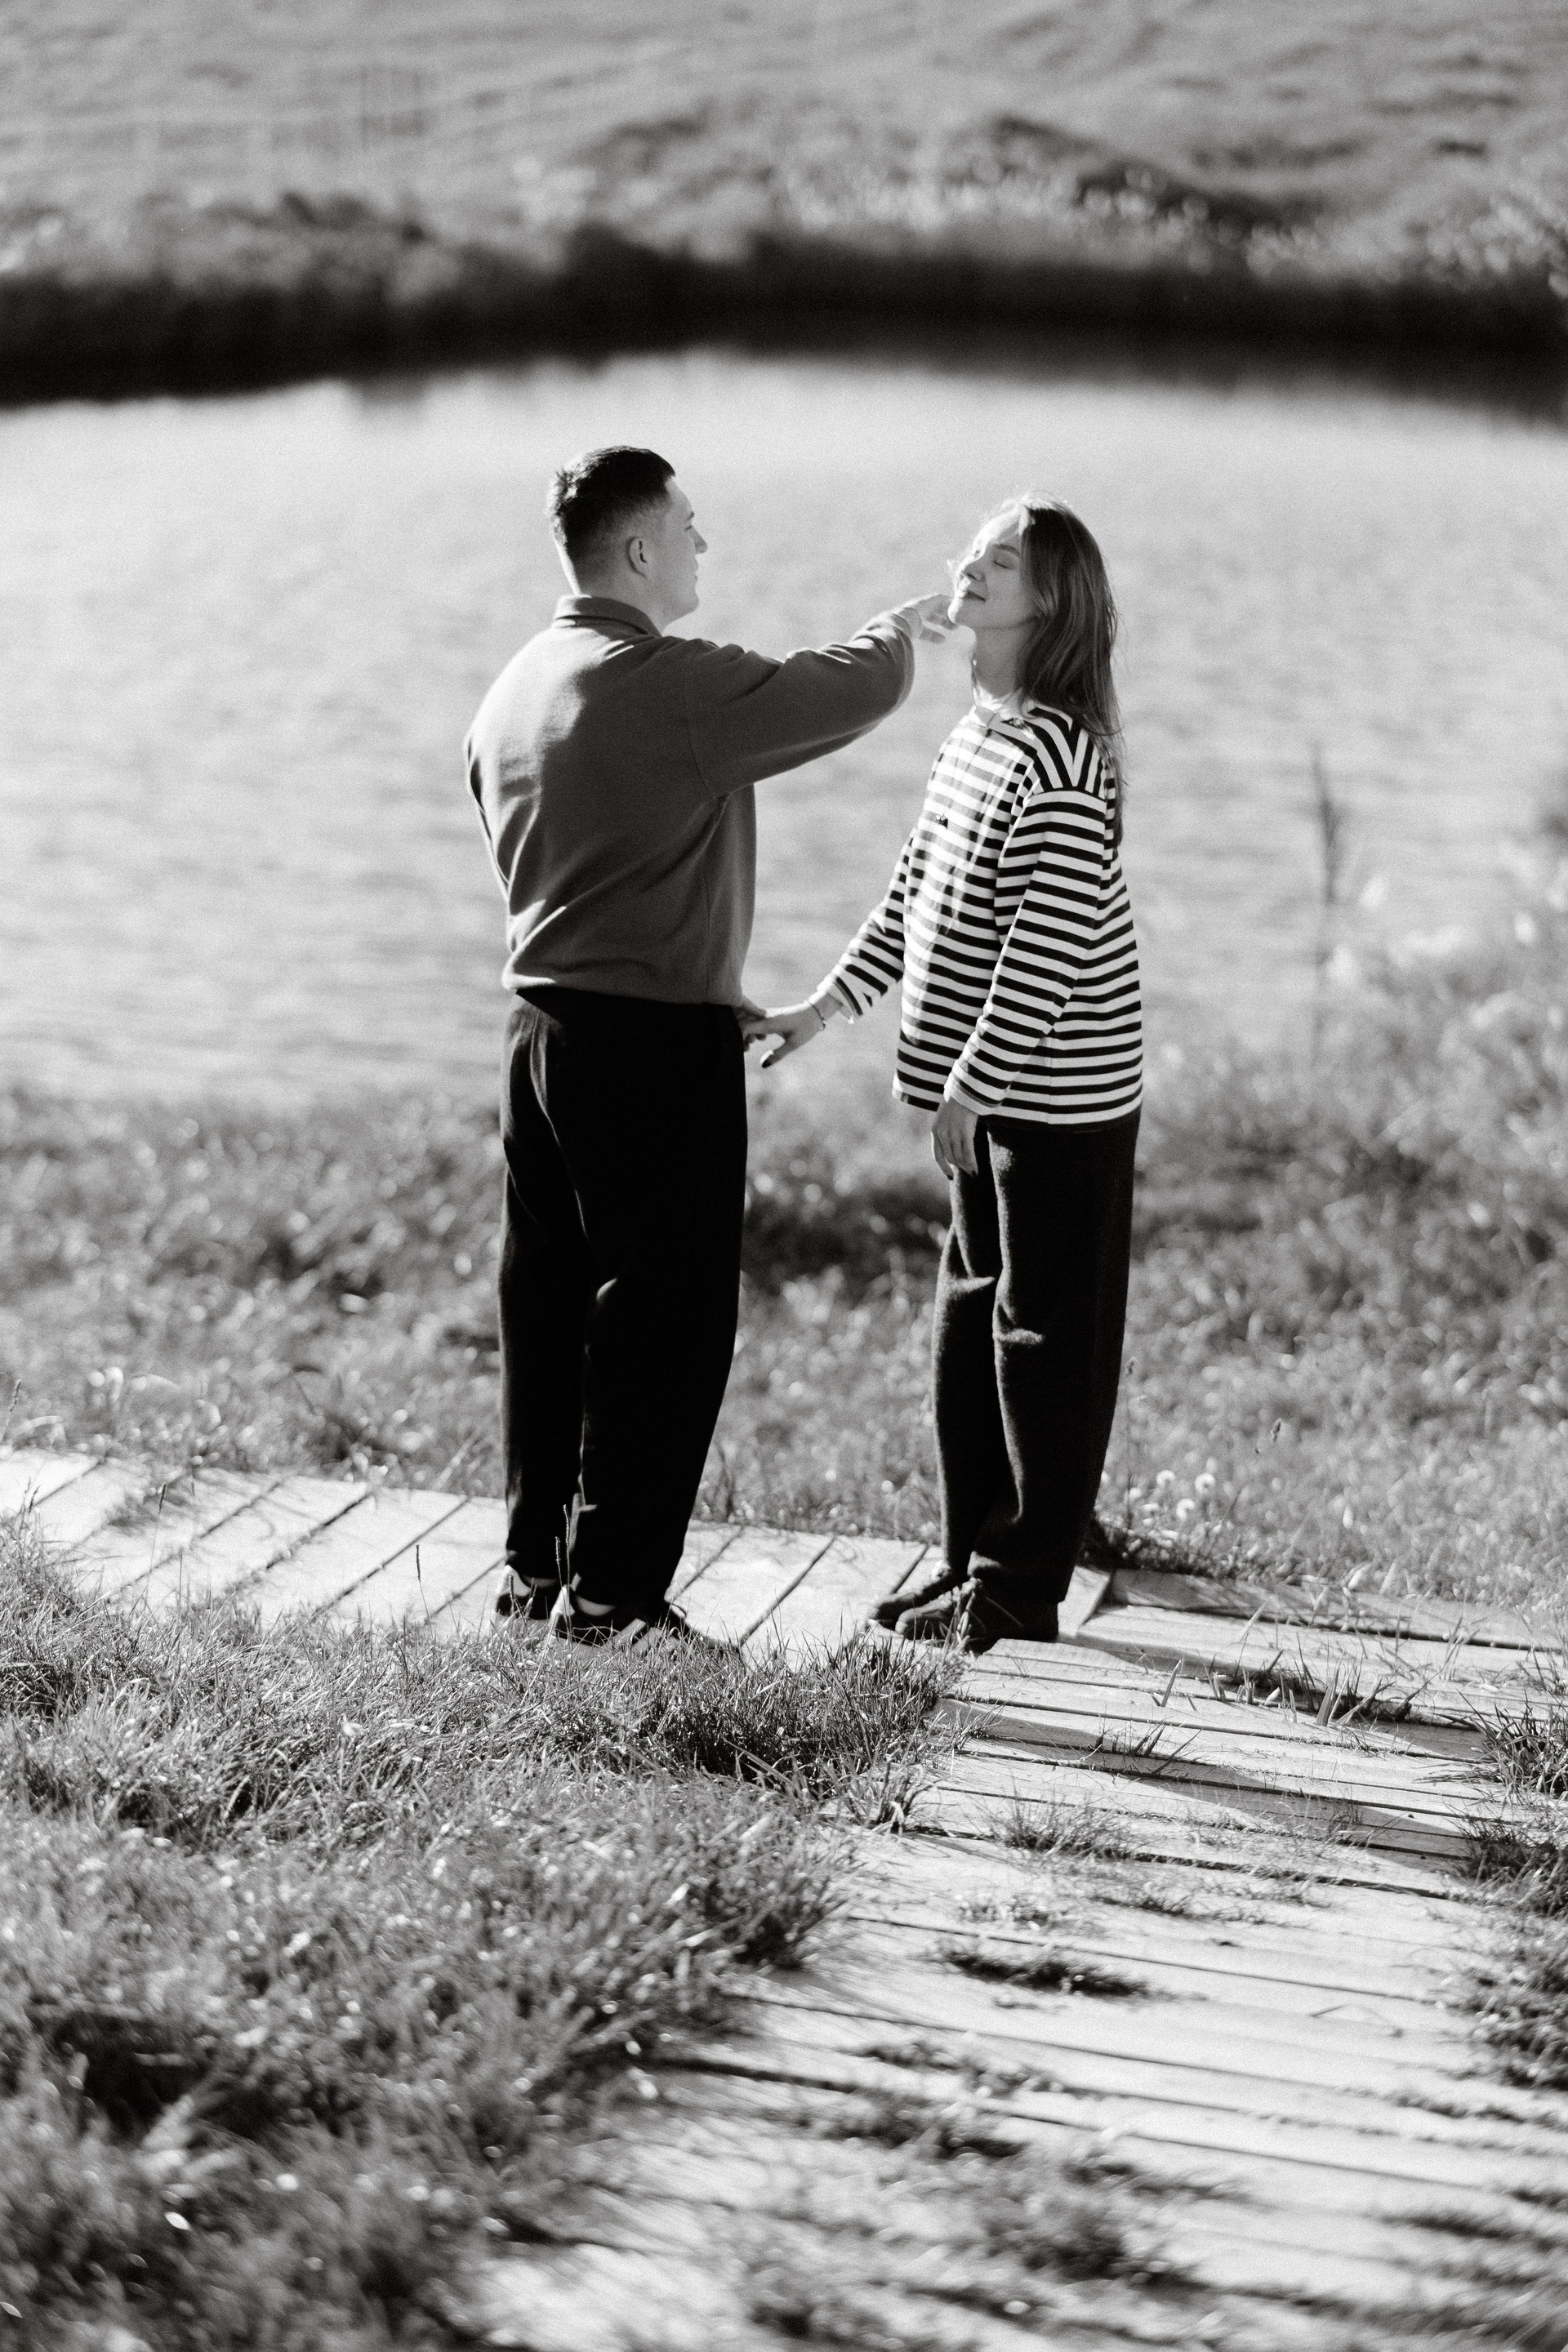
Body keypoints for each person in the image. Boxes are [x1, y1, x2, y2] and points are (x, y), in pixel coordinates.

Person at [466, 444, 951, 1646]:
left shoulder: (515, 686)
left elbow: (570, 856)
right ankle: (615, 1600)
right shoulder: (663, 683)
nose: (703, 543)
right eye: (688, 525)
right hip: (648, 1052)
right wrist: (900, 632)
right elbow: (831, 694)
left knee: (548, 1308)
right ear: (638, 549)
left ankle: (536, 1576)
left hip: (540, 1037)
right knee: (666, 1324)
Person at [746, 496, 1142, 1656]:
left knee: (1042, 1336)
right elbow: (913, 896)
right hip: (985, 1092)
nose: (969, 567)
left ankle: (1021, 1588)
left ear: (1052, 602)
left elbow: (1046, 949)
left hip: (1057, 1098)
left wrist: (973, 1084)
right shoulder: (976, 737)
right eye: (972, 551)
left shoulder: (1064, 753)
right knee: (972, 1317)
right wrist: (826, 1006)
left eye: (999, 561)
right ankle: (972, 1559)